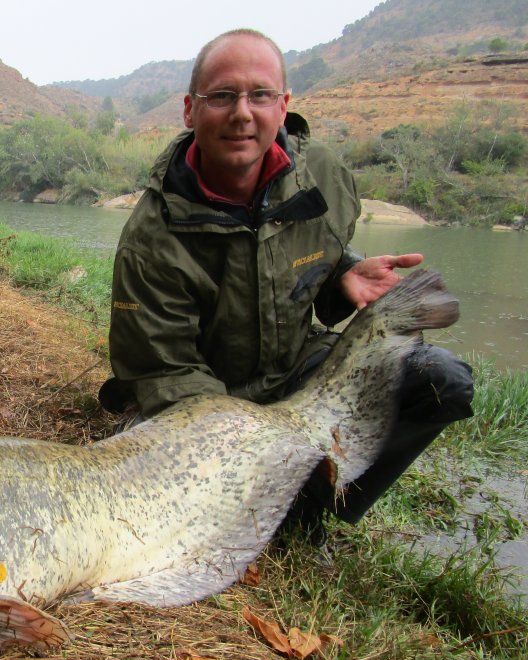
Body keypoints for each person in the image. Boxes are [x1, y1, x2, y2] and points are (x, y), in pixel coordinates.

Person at [99, 29, 474, 539]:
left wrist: (343, 277)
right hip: (206, 400)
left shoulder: (325, 176)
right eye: (222, 96)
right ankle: (263, 493)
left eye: (260, 95)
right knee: (169, 490)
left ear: (283, 105)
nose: (242, 113)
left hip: (296, 370)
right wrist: (258, 435)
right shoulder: (150, 238)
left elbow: (312, 259)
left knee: (441, 380)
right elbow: (165, 371)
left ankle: (309, 509)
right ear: (190, 110)